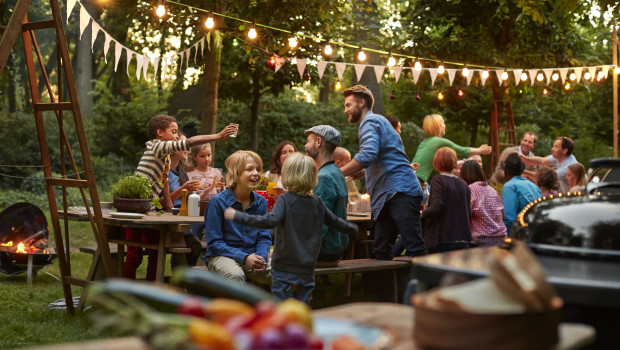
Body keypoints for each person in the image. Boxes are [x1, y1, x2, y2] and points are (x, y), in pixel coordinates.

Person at [225, 153, 358, 304]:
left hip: (283, 264)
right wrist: (351, 228)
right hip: (307, 265)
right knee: (303, 302)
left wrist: (238, 216)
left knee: (281, 302)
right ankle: (302, 322)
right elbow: (335, 221)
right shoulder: (317, 202)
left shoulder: (285, 199)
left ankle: (283, 323)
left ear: (288, 175)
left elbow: (269, 220)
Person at [124, 115, 236, 280]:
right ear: (160, 133)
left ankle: (152, 290)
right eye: (174, 131)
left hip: (148, 209)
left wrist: (169, 207)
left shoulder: (166, 157)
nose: (177, 136)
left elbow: (164, 181)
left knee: (156, 252)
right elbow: (190, 142)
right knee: (134, 257)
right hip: (133, 207)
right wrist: (218, 136)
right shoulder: (157, 145)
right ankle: (124, 292)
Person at [340, 85, 427, 259]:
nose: (345, 110)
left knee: (414, 248)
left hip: (400, 192)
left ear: (362, 103)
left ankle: (429, 286)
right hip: (388, 196)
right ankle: (386, 286)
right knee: (380, 251)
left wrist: (338, 172)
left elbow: (367, 155)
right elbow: (380, 158)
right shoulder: (376, 122)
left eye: (348, 105)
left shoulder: (369, 122)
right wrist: (361, 173)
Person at [204, 150, 272, 285]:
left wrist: (261, 258)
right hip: (222, 255)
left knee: (284, 274)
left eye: (258, 169)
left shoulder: (261, 202)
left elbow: (264, 237)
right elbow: (214, 244)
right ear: (236, 173)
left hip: (253, 255)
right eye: (249, 169)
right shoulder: (218, 202)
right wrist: (244, 257)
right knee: (235, 275)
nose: (256, 173)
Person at [304, 125, 350, 267]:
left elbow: (318, 225)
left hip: (324, 253)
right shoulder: (335, 172)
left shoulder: (324, 177)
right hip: (335, 250)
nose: (305, 146)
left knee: (265, 257)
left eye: (308, 141)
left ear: (318, 142)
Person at [412, 114, 492, 183]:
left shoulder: (424, 143)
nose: (445, 125)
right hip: (417, 180)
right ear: (438, 126)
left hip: (411, 176)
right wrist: (480, 150)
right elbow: (462, 151)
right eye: (443, 123)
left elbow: (446, 164)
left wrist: (465, 161)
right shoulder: (438, 142)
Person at [421, 147, 472, 253]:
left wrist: (421, 213)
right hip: (463, 239)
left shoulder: (438, 181)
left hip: (443, 240)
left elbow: (437, 206)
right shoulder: (464, 184)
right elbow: (469, 213)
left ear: (436, 162)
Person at [460, 160, 507, 247]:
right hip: (501, 238)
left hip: (481, 241)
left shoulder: (469, 190)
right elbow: (502, 215)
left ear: (464, 175)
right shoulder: (492, 190)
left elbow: (463, 217)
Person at [502, 153, 542, 233]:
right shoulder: (534, 186)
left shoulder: (509, 186)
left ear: (506, 172)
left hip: (520, 234)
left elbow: (510, 218)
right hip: (535, 232)